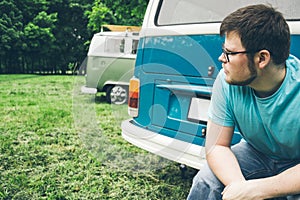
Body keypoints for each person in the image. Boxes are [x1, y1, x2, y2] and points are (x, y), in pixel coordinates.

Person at [187, 4, 300, 200]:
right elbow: (216, 146)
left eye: (229, 53)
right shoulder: (226, 80)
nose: (221, 58)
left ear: (262, 58)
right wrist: (238, 187)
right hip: (257, 152)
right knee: (206, 181)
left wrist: (261, 189)